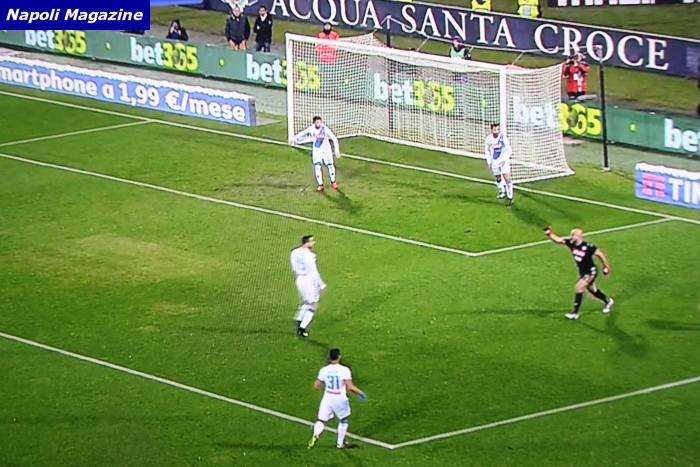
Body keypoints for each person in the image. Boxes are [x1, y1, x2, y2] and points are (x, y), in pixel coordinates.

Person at [543, 226, 614, 320]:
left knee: (579, 287)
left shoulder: (588, 247)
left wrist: (606, 265)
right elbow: (559, 240)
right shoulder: (571, 243)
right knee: (593, 290)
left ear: (578, 236)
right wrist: (549, 234)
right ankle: (607, 300)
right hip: (583, 272)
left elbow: (600, 254)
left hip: (591, 271)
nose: (571, 236)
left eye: (573, 235)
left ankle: (575, 313)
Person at [308, 348, 367, 450]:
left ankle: (315, 434)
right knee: (343, 420)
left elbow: (316, 385)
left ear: (329, 357)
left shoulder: (324, 370)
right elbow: (350, 386)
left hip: (327, 398)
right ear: (339, 356)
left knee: (321, 420)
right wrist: (360, 393)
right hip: (340, 398)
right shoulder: (344, 370)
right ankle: (340, 443)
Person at [290, 116, 341, 192]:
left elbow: (334, 138)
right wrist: (293, 139)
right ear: (314, 123)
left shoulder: (324, 128)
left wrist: (337, 151)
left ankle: (333, 182)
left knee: (330, 165)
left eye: (320, 122)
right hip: (317, 151)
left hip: (326, 150)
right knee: (317, 166)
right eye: (317, 122)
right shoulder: (311, 129)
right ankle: (320, 185)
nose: (319, 123)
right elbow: (302, 133)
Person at [290, 235, 326, 338]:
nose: (313, 243)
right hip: (308, 280)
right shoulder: (310, 255)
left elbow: (293, 266)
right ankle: (302, 328)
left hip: (299, 279)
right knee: (313, 304)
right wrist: (321, 284)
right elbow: (314, 271)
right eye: (311, 241)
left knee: (307, 301)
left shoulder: (294, 252)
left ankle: (299, 319)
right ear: (307, 242)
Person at [485, 123, 513, 206]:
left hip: (504, 161)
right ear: (491, 130)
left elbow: (509, 150)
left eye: (498, 129)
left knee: (507, 178)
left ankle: (510, 197)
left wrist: (505, 159)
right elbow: (487, 151)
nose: (496, 131)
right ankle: (502, 191)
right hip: (495, 161)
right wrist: (489, 162)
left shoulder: (503, 138)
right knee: (497, 177)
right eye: (495, 130)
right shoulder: (488, 139)